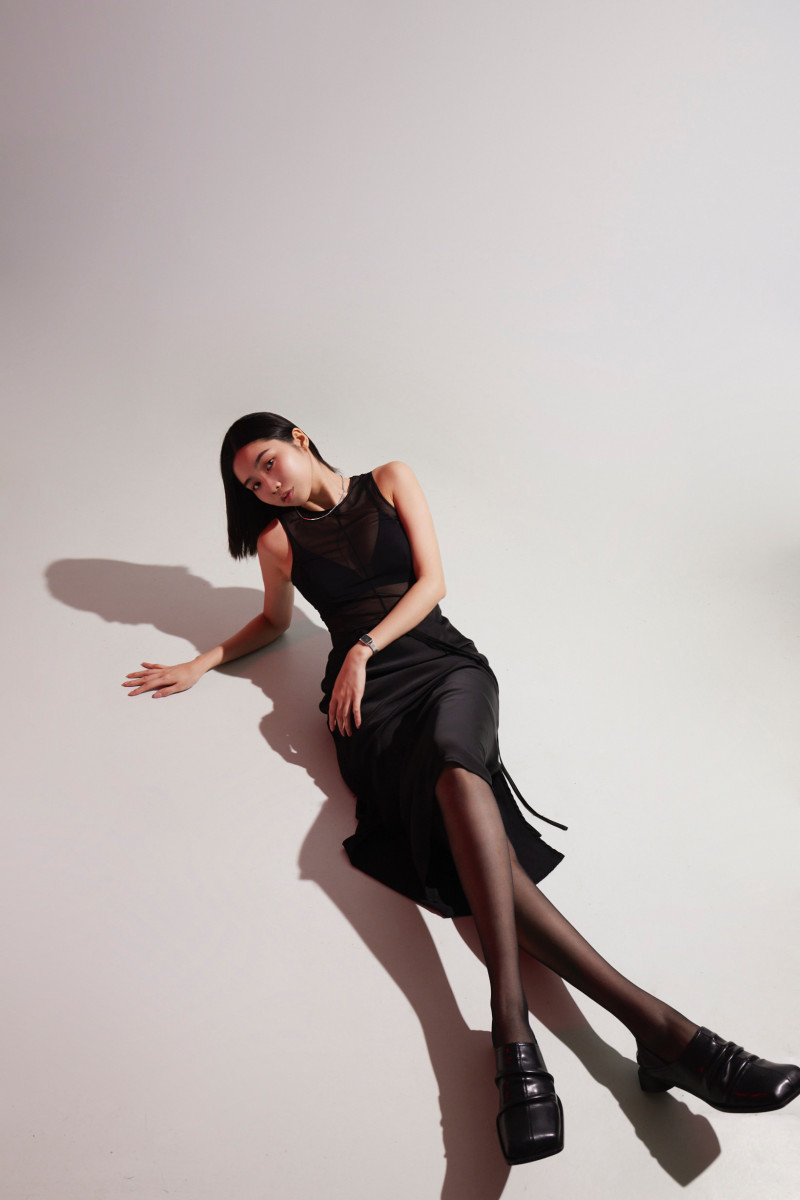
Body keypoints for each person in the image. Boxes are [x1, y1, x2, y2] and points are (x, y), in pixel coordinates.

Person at [124, 412, 800, 1165]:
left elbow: (433, 583)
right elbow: (273, 620)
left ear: (301, 440)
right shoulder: (279, 542)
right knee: (473, 831)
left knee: (455, 762)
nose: (266, 487)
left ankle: (513, 1030)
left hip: (445, 669)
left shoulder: (390, 480)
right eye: (251, 484)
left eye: (269, 464)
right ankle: (669, 1039)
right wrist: (200, 662)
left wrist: (362, 648)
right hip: (371, 711)